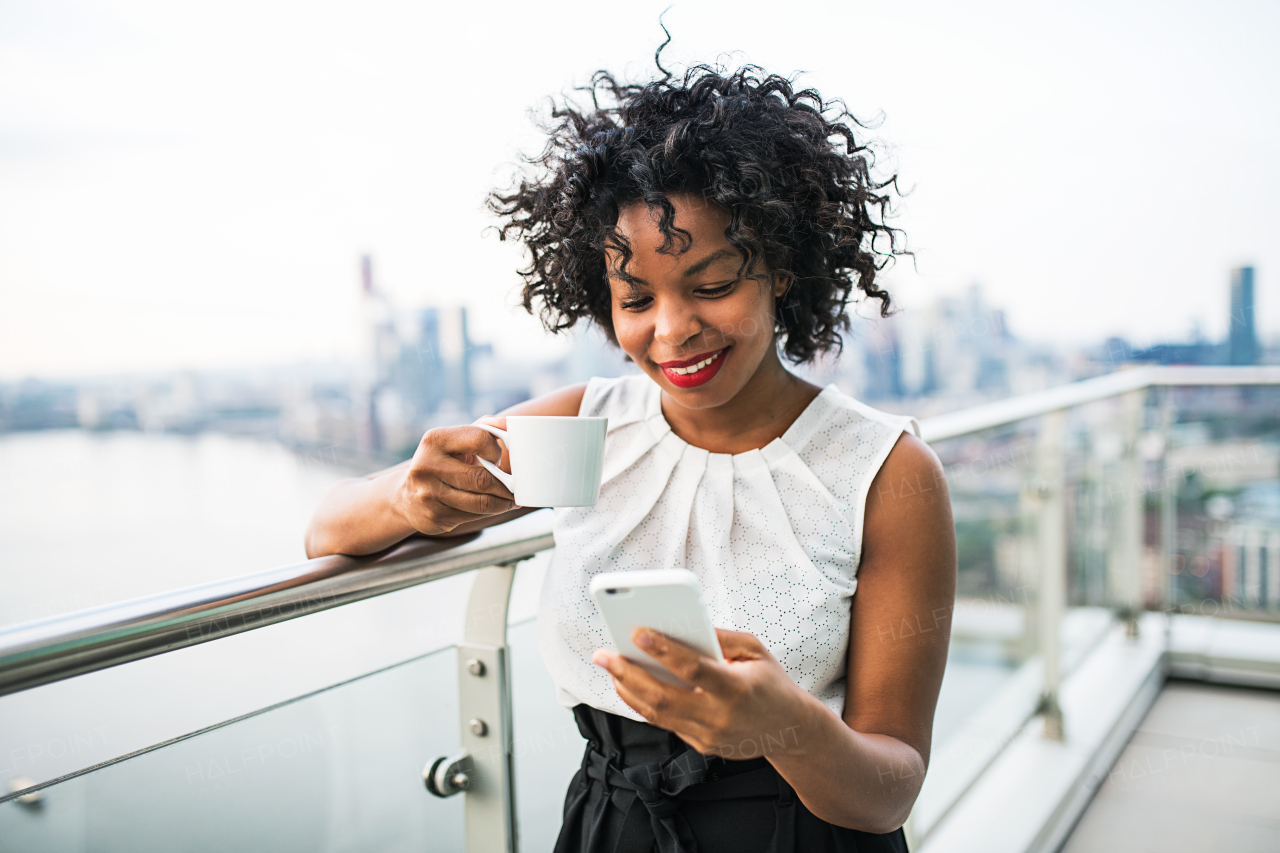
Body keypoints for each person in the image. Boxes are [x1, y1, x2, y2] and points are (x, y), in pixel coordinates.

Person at [306, 60, 956, 853]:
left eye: (711, 284)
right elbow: (327, 529)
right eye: (637, 299)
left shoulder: (883, 471)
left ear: (782, 269)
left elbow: (890, 789)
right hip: (612, 830)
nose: (673, 330)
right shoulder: (589, 429)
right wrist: (413, 500)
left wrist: (788, 728)